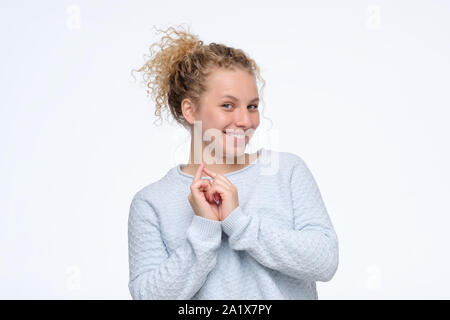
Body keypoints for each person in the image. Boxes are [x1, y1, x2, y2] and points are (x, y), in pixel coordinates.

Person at [128, 24, 339, 300]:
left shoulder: (287, 172)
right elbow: (148, 296)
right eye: (228, 105)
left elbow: (324, 261)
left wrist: (238, 223)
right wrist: (204, 230)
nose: (245, 120)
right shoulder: (151, 202)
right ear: (190, 110)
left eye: (252, 106)